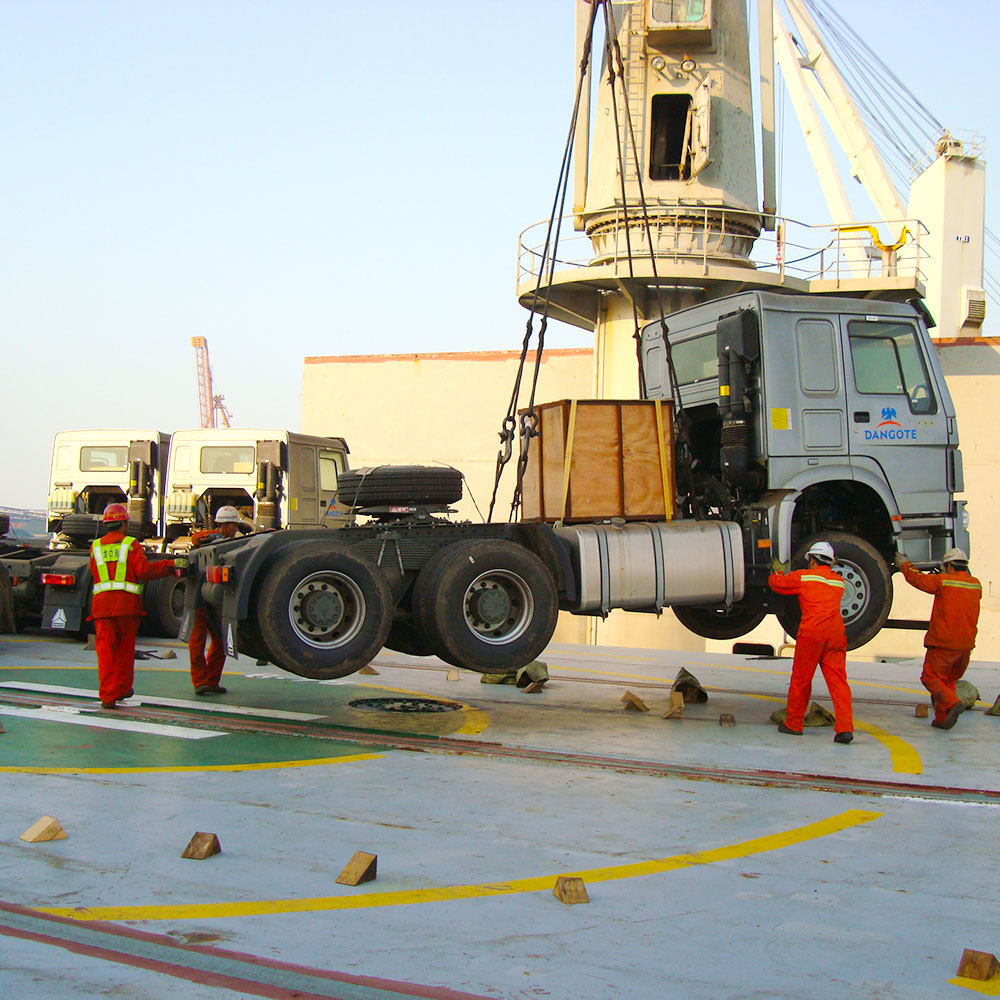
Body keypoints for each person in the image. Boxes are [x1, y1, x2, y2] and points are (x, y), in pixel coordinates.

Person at [89, 503, 184, 709]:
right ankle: (122, 689)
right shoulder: (131, 545)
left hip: (102, 608)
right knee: (124, 651)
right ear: (123, 524)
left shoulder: (95, 547)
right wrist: (170, 565)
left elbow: (93, 572)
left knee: (106, 653)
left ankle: (108, 696)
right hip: (126, 607)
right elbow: (143, 571)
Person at [768, 540, 854, 744]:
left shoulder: (804, 577)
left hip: (812, 634)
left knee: (801, 680)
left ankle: (794, 724)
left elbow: (777, 584)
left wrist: (778, 571)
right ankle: (845, 729)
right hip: (835, 635)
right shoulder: (839, 582)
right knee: (839, 683)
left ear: (813, 560)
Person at [895, 547, 982, 730]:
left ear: (948, 565)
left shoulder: (943, 582)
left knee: (930, 677)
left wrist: (904, 565)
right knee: (947, 681)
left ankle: (952, 703)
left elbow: (919, 580)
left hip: (943, 643)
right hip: (965, 646)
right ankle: (942, 719)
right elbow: (961, 584)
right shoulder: (976, 585)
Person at [187, 505, 245, 696]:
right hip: (198, 600)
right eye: (231, 526)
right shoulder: (207, 539)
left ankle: (212, 681)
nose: (234, 529)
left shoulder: (238, 545)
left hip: (216, 602)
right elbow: (196, 539)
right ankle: (200, 682)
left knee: (220, 642)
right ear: (223, 525)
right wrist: (212, 537)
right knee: (197, 642)